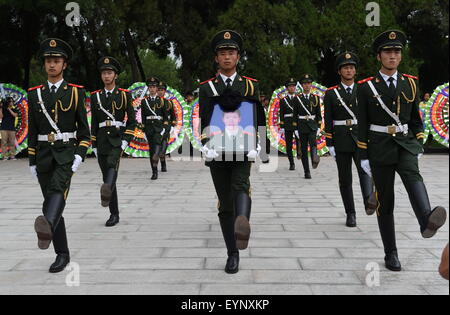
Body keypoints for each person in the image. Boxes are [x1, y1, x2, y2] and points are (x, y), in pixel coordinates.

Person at [357, 30, 447, 271]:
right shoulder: (365, 87)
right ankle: (391, 253)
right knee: (385, 202)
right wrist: (363, 156)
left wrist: (418, 142)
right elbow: (361, 124)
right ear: (379, 56)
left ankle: (426, 220)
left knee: (413, 176)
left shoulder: (411, 82)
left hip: (405, 143)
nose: (393, 55)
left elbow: (416, 119)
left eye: (397, 51)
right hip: (378, 146)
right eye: (388, 51)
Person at [199, 30, 266, 274]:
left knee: (241, 185)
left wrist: (259, 145)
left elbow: (259, 117)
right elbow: (204, 119)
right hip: (218, 152)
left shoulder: (250, 85)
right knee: (225, 204)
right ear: (216, 58)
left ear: (238, 57)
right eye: (222, 53)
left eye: (231, 52)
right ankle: (232, 252)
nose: (227, 57)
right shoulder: (206, 88)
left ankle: (243, 223)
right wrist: (205, 145)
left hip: (242, 149)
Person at [27, 38, 91, 273]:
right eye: (48, 61)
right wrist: (32, 160)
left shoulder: (75, 93)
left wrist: (80, 155)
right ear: (45, 65)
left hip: (65, 154)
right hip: (43, 155)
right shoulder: (35, 94)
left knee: (56, 193)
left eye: (56, 61)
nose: (52, 65)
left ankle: (52, 238)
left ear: (64, 64)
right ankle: (61, 252)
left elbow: (85, 130)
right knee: (53, 205)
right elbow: (32, 131)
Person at [324, 52, 377, 228]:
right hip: (341, 140)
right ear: (340, 71)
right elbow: (328, 119)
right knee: (345, 179)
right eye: (346, 67)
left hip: (360, 137)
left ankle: (368, 201)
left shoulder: (363, 90)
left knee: (365, 171)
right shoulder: (331, 93)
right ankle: (350, 213)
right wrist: (329, 143)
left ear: (355, 71)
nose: (349, 70)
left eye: (352, 67)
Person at [90, 56, 136, 227]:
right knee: (107, 177)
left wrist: (125, 141)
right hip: (101, 140)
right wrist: (93, 144)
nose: (106, 76)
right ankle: (113, 211)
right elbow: (94, 122)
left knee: (111, 170)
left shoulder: (124, 95)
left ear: (115, 75)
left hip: (117, 140)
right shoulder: (96, 96)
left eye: (109, 73)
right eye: (104, 73)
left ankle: (113, 212)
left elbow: (132, 121)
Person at [141, 77, 169, 180]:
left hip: (158, 128)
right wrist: (143, 129)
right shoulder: (144, 101)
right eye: (150, 87)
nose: (152, 89)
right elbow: (143, 117)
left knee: (157, 148)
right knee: (152, 151)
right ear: (148, 88)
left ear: (157, 88)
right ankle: (154, 171)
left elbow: (166, 117)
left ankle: (157, 162)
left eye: (154, 87)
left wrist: (164, 128)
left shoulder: (162, 101)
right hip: (149, 128)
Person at [297, 74, 322, 179]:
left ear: (311, 85)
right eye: (305, 84)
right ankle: (306, 171)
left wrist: (319, 126)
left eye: (308, 83)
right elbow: (295, 114)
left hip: (312, 126)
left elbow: (318, 114)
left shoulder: (315, 98)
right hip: (302, 126)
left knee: (313, 144)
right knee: (303, 150)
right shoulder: (297, 99)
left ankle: (314, 158)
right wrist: (295, 129)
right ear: (302, 85)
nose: (307, 85)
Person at [279, 78, 300, 170]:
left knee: (300, 141)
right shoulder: (283, 100)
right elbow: (281, 114)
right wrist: (282, 125)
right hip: (287, 123)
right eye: (290, 86)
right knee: (289, 145)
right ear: (287, 88)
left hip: (298, 123)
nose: (292, 88)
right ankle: (292, 163)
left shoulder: (299, 98)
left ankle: (300, 152)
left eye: (293, 86)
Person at [157, 82, 176, 172]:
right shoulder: (152, 101)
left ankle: (163, 163)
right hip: (156, 127)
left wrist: (172, 124)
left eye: (162, 90)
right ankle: (160, 164)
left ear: (165, 91)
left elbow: (173, 116)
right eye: (159, 90)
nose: (160, 92)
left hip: (166, 127)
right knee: (157, 146)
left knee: (163, 146)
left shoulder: (169, 102)